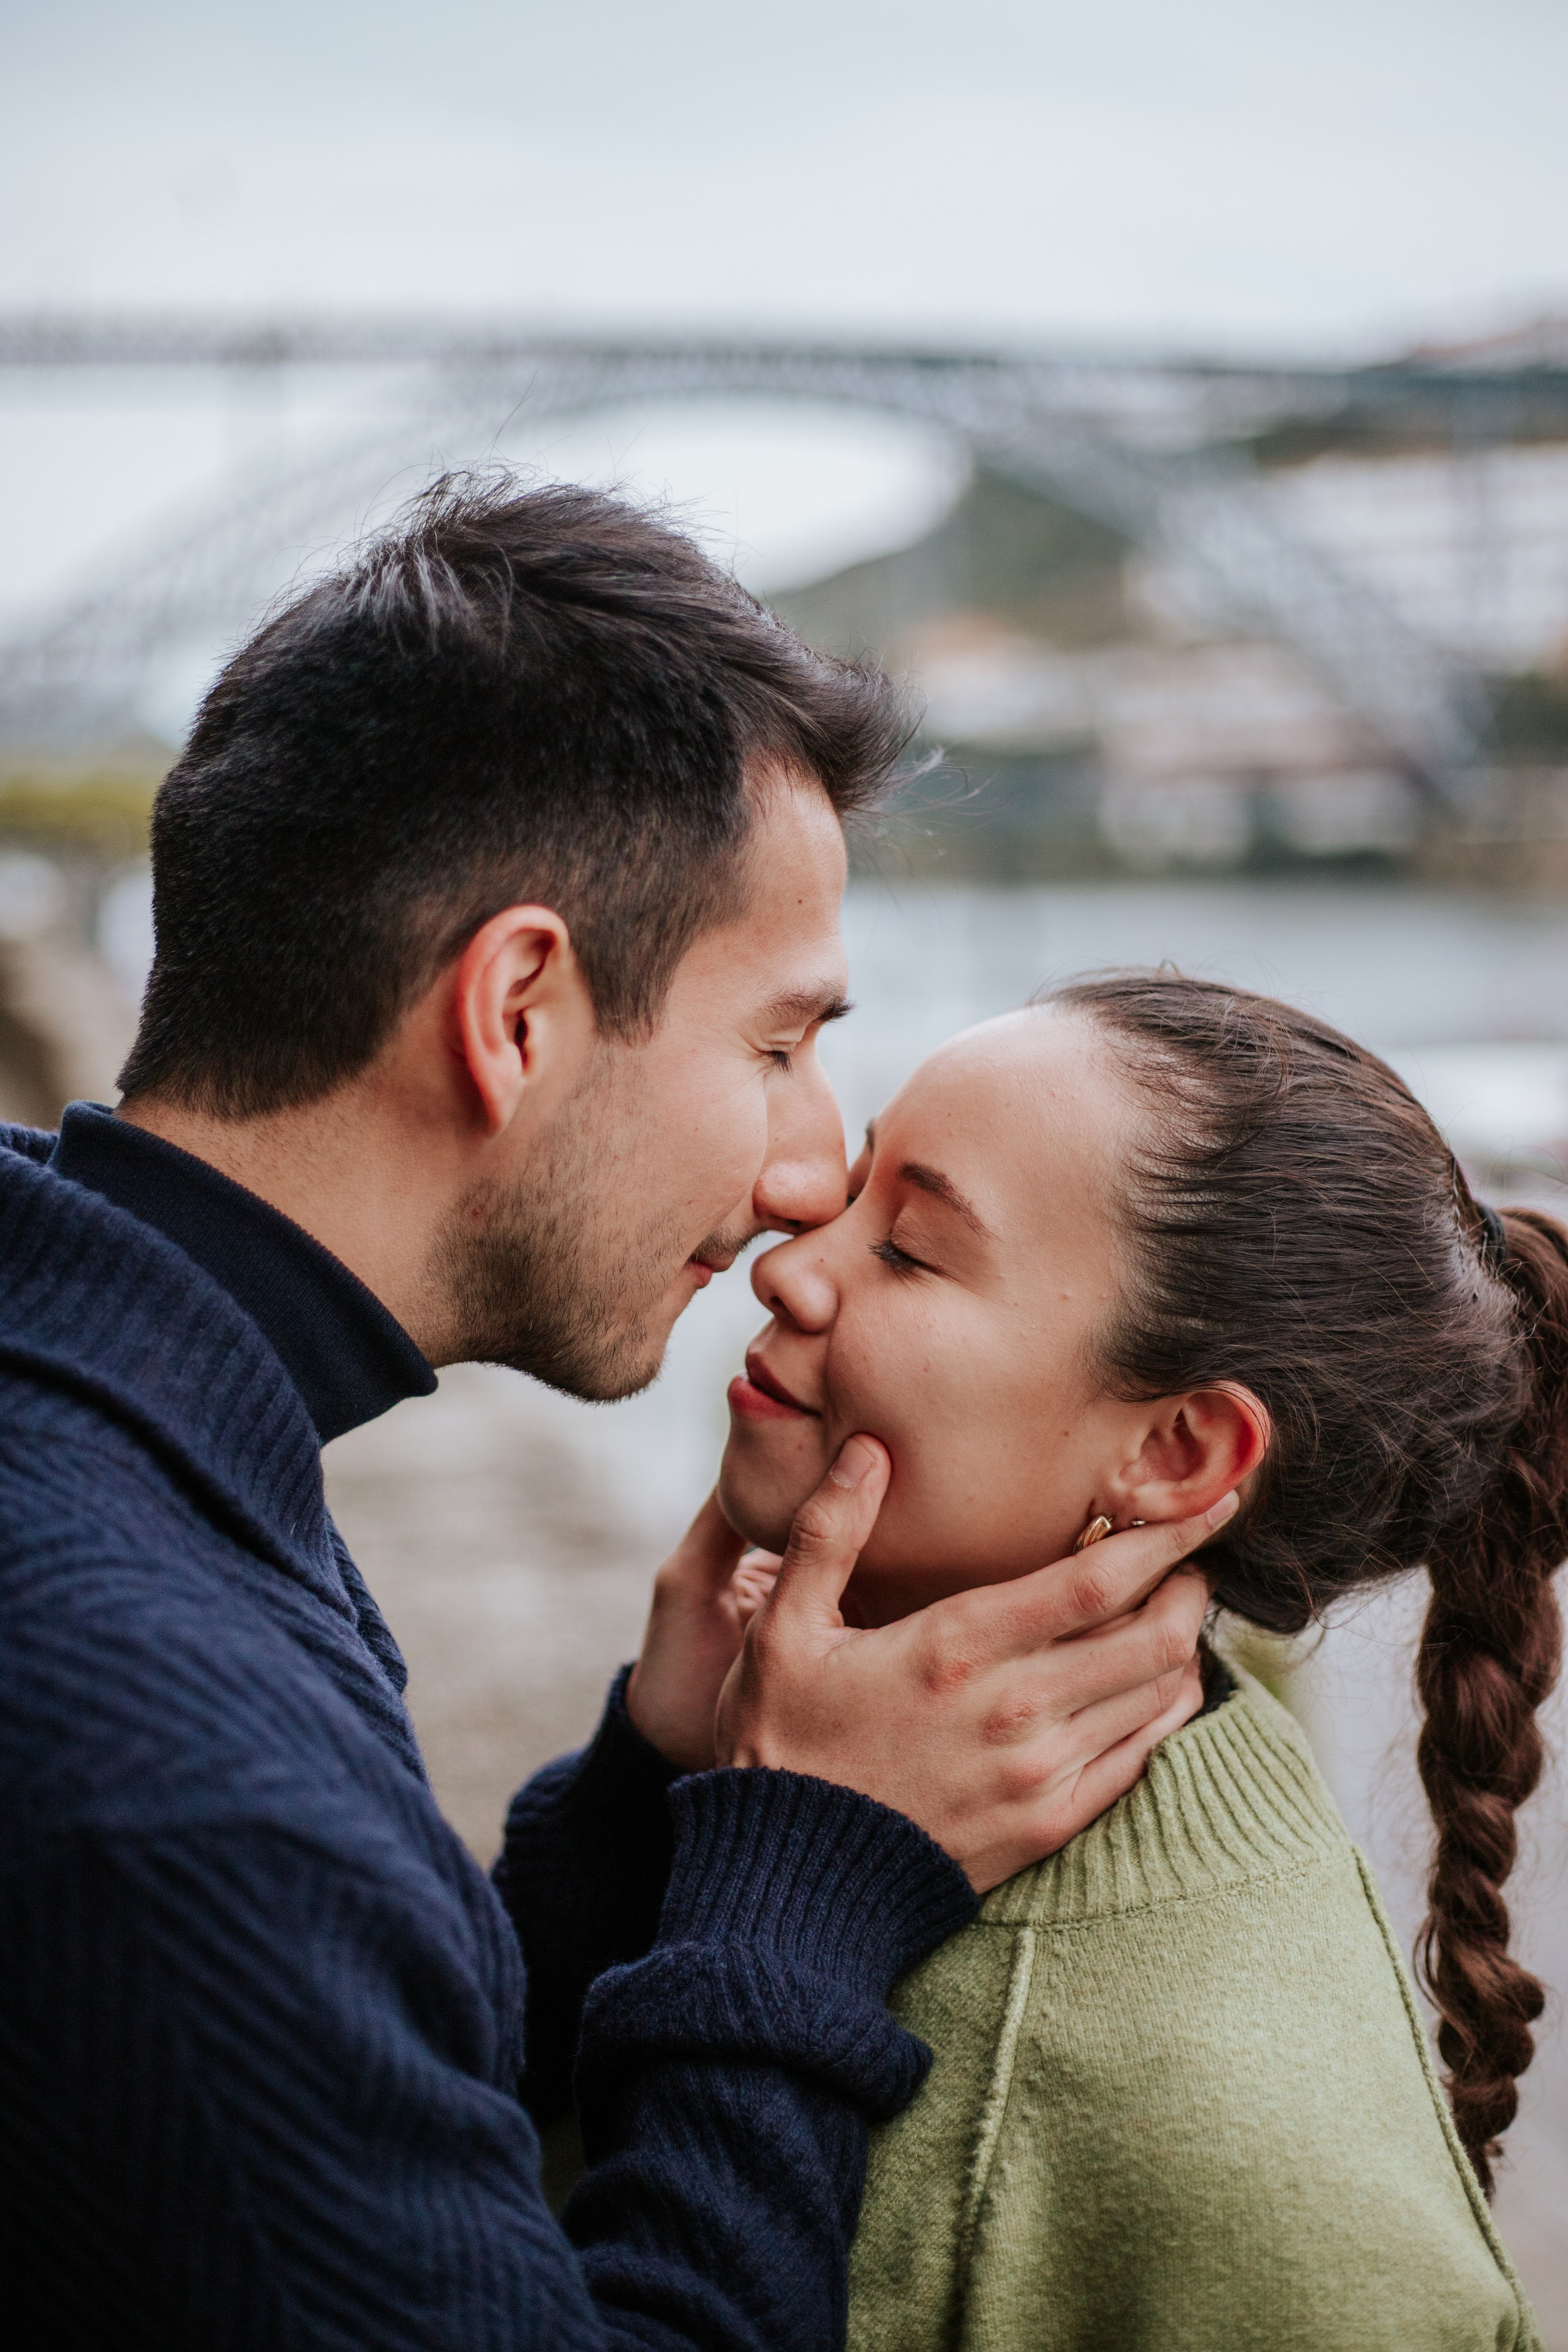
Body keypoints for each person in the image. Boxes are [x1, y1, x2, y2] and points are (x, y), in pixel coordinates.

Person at [0, 481, 1217, 2352]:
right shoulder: (171, 1771)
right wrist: (799, 1891)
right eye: (781, 1046)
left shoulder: (117, 1398)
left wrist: (653, 1799)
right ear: (518, 1012)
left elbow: (284, 2119)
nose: (819, 1170)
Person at [714, 974, 1558, 2351]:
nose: (787, 1260)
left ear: (1174, 1456)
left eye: (910, 1249)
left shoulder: (1231, 2145)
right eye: (852, 1191)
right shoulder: (765, 1729)